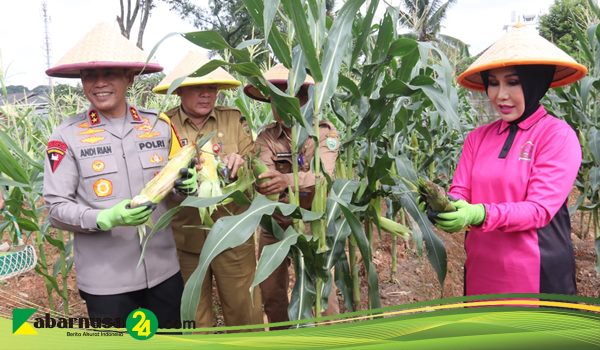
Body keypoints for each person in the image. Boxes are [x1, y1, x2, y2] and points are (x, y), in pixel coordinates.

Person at [43, 22, 197, 328]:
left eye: (109, 73)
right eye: (90, 76)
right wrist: (104, 218)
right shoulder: (66, 136)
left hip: (164, 273)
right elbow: (56, 209)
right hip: (107, 283)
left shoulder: (159, 126)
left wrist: (184, 187)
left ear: (128, 78)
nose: (98, 83)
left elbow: (174, 193)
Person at [432, 24, 588, 296]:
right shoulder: (477, 138)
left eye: (513, 82)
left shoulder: (557, 136)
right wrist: (445, 206)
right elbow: (460, 192)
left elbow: (539, 210)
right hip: (482, 271)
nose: (500, 95)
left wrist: (480, 213)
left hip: (537, 276)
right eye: (493, 83)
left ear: (535, 83)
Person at [153, 51, 263, 328]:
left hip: (232, 236)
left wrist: (242, 163)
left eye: (211, 88)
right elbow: (154, 176)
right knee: (193, 315)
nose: (206, 94)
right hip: (186, 239)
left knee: (244, 312)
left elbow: (254, 162)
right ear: (179, 91)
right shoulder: (162, 127)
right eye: (197, 88)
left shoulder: (233, 119)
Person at [244, 64, 340, 328]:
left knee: (323, 293)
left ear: (305, 100)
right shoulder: (266, 137)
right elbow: (265, 181)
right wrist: (277, 183)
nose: (283, 106)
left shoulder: (324, 133)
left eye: (291, 98)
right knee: (272, 296)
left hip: (312, 224)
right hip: (275, 224)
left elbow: (325, 178)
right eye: (277, 99)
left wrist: (287, 179)